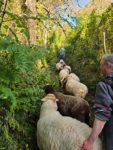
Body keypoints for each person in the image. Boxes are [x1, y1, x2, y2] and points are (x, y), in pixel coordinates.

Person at [81, 54, 113, 150]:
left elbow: (102, 116)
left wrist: (90, 142)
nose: (100, 67)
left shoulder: (103, 85)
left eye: (101, 64)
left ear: (108, 65)